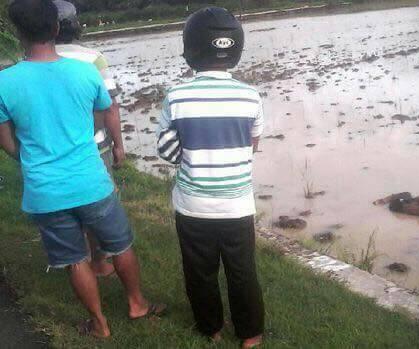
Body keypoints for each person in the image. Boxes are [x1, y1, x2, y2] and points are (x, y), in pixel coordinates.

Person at [0, 0, 165, 339]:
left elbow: (7, 142)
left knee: (76, 259)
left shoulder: (4, 82)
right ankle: (137, 304)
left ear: (18, 33)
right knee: (120, 244)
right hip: (91, 180)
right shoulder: (86, 72)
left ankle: (100, 324)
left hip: (45, 189)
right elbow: (102, 116)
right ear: (57, 29)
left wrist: (29, 156)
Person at [157, 7, 264, 348]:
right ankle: (251, 334)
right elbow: (253, 145)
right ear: (236, 48)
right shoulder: (250, 96)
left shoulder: (176, 96)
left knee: (200, 272)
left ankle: (211, 328)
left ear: (189, 49)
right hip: (237, 205)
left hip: (193, 206)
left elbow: (168, 151)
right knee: (243, 271)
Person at [54, 0, 119, 278]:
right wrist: (120, 145)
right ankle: (101, 263)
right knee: (98, 206)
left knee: (66, 207)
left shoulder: (31, 60)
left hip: (53, 149)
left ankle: (77, 262)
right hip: (95, 145)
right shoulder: (93, 57)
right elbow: (109, 106)